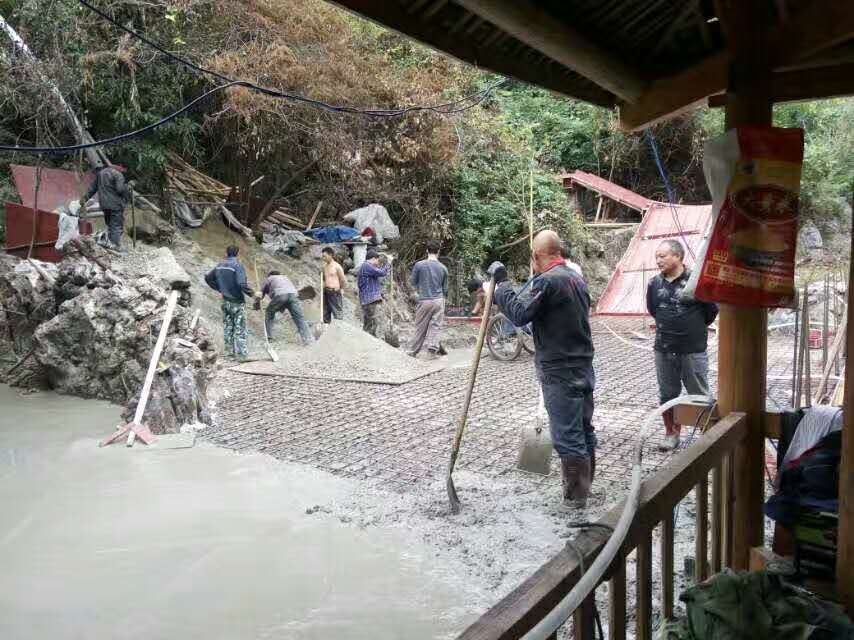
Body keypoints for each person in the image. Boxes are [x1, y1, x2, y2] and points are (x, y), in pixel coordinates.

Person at [490, 229, 596, 509]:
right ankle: (586, 487)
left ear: (536, 256)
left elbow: (519, 314)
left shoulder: (548, 281)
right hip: (583, 365)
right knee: (584, 429)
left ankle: (575, 500)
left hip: (560, 370)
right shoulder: (576, 278)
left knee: (567, 436)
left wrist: (502, 285)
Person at [646, 239, 719, 451]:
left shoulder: (696, 283)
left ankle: (708, 434)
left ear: (678, 256)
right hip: (664, 349)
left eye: (663, 256)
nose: (658, 260)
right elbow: (653, 309)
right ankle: (671, 434)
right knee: (668, 394)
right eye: (657, 256)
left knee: (699, 393)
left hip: (692, 350)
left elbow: (711, 312)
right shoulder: (654, 283)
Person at [205, 245, 254, 360]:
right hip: (237, 302)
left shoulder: (219, 266)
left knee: (228, 327)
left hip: (225, 301)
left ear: (226, 253)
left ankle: (229, 354)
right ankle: (242, 355)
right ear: (238, 253)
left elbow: (207, 277)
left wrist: (219, 288)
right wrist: (252, 293)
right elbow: (241, 284)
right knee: (239, 327)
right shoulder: (238, 266)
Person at [407, 240, 448, 359]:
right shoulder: (443, 268)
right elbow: (445, 289)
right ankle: (432, 351)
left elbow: (412, 282)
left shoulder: (419, 265)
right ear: (438, 251)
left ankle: (412, 351)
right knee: (436, 325)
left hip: (424, 299)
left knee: (420, 326)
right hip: (438, 300)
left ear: (427, 251)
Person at [80, 164, 131, 251]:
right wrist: (127, 189)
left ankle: (110, 244)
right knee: (116, 225)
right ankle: (115, 246)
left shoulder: (101, 173)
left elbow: (92, 188)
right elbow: (120, 189)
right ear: (120, 167)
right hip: (115, 204)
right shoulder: (118, 174)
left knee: (110, 224)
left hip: (104, 205)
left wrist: (84, 199)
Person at [256, 270, 314, 346]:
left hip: (281, 295)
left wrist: (256, 304)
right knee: (299, 318)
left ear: (270, 275)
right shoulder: (285, 277)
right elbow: (288, 292)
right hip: (293, 296)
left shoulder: (270, 278)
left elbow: (260, 294)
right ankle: (308, 339)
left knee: (269, 312)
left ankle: (269, 337)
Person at [357, 249, 391, 339]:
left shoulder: (366, 267)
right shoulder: (367, 266)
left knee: (369, 323)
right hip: (369, 300)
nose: (378, 262)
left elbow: (379, 275)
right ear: (373, 258)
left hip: (368, 300)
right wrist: (389, 263)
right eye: (377, 260)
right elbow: (382, 272)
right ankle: (369, 342)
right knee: (372, 322)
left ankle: (366, 340)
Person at [321, 247, 346, 323]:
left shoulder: (337, 266)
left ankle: (338, 330)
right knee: (325, 313)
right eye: (322, 256)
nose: (323, 258)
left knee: (337, 313)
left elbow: (343, 280)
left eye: (324, 256)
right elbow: (324, 279)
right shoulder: (325, 267)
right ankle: (327, 330)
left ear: (330, 255)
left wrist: (341, 288)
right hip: (326, 292)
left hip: (334, 292)